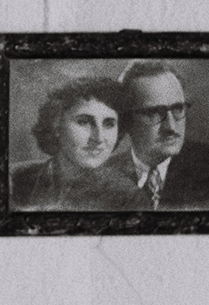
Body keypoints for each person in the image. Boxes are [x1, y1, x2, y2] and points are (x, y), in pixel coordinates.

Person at [106, 61, 209, 211]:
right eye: (154, 113)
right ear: (125, 119)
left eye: (178, 108)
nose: (171, 127)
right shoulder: (101, 177)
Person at [10, 78, 129, 211]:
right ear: (56, 126)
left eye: (109, 124)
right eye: (83, 122)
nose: (99, 138)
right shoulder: (14, 180)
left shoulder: (128, 196)